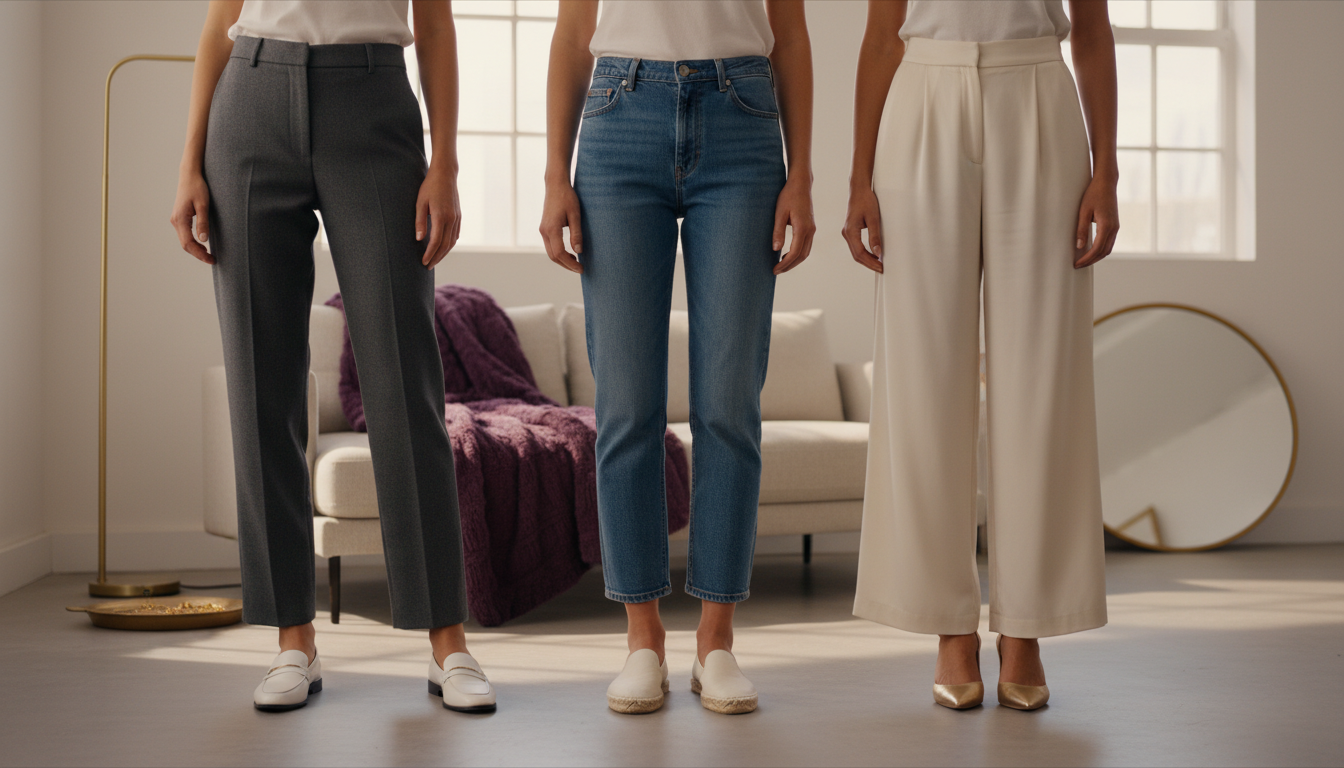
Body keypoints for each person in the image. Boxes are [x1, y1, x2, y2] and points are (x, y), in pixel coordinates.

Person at [169, 0, 495, 713]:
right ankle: (293, 639)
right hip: (250, 98)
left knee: (403, 380)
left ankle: (448, 641)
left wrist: (445, 163)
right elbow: (221, 16)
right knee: (262, 383)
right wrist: (190, 161)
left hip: (372, 98)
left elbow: (434, 22)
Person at [842, 0, 1119, 711]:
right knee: (922, 372)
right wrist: (858, 180)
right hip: (922, 95)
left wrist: (1107, 173)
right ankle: (947, 624)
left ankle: (1026, 624)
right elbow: (880, 34)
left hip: (1038, 97)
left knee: (1041, 375)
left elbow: (1089, 28)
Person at [540, 0, 815, 715]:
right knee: (627, 405)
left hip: (743, 119)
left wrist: (803, 175)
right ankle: (642, 640)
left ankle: (717, 641)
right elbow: (574, 32)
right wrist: (553, 176)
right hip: (618, 115)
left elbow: (789, 32)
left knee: (729, 403)